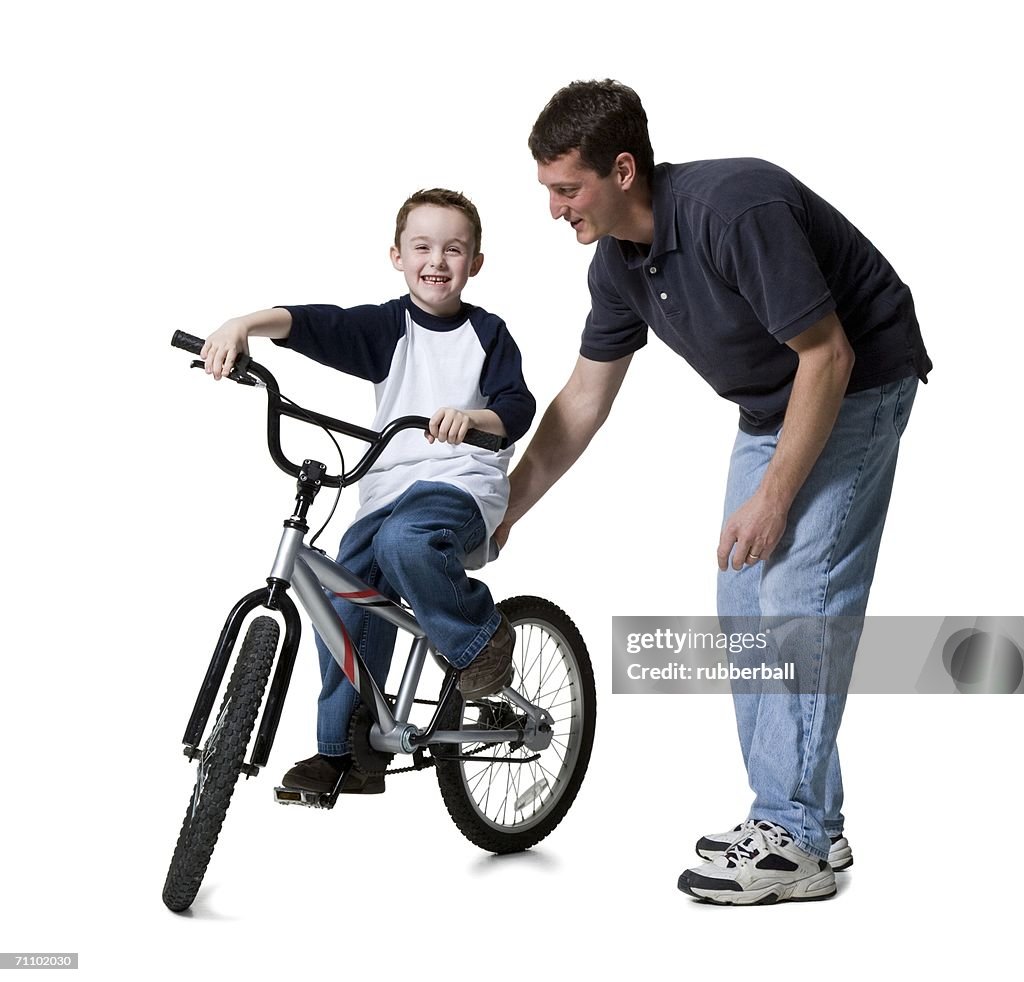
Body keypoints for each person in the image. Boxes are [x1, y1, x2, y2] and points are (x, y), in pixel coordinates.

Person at [499, 80, 931, 905]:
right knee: (743, 597)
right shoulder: (617, 265)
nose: (554, 210)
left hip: (857, 383)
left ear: (623, 170)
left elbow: (830, 356)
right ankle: (810, 823)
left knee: (799, 591)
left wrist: (773, 499)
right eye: (548, 190)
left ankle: (793, 834)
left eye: (567, 189)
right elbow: (584, 399)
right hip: (776, 404)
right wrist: (510, 509)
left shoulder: (731, 210)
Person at [201, 188, 536, 795]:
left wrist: (472, 419)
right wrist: (242, 324)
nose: (437, 261)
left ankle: (480, 639)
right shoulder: (387, 327)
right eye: (423, 247)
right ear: (397, 256)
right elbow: (316, 322)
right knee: (342, 602)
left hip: (459, 482)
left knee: (408, 542)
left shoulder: (488, 333)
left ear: (475, 264)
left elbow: (517, 406)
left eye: (454, 249)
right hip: (385, 492)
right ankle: (347, 751)